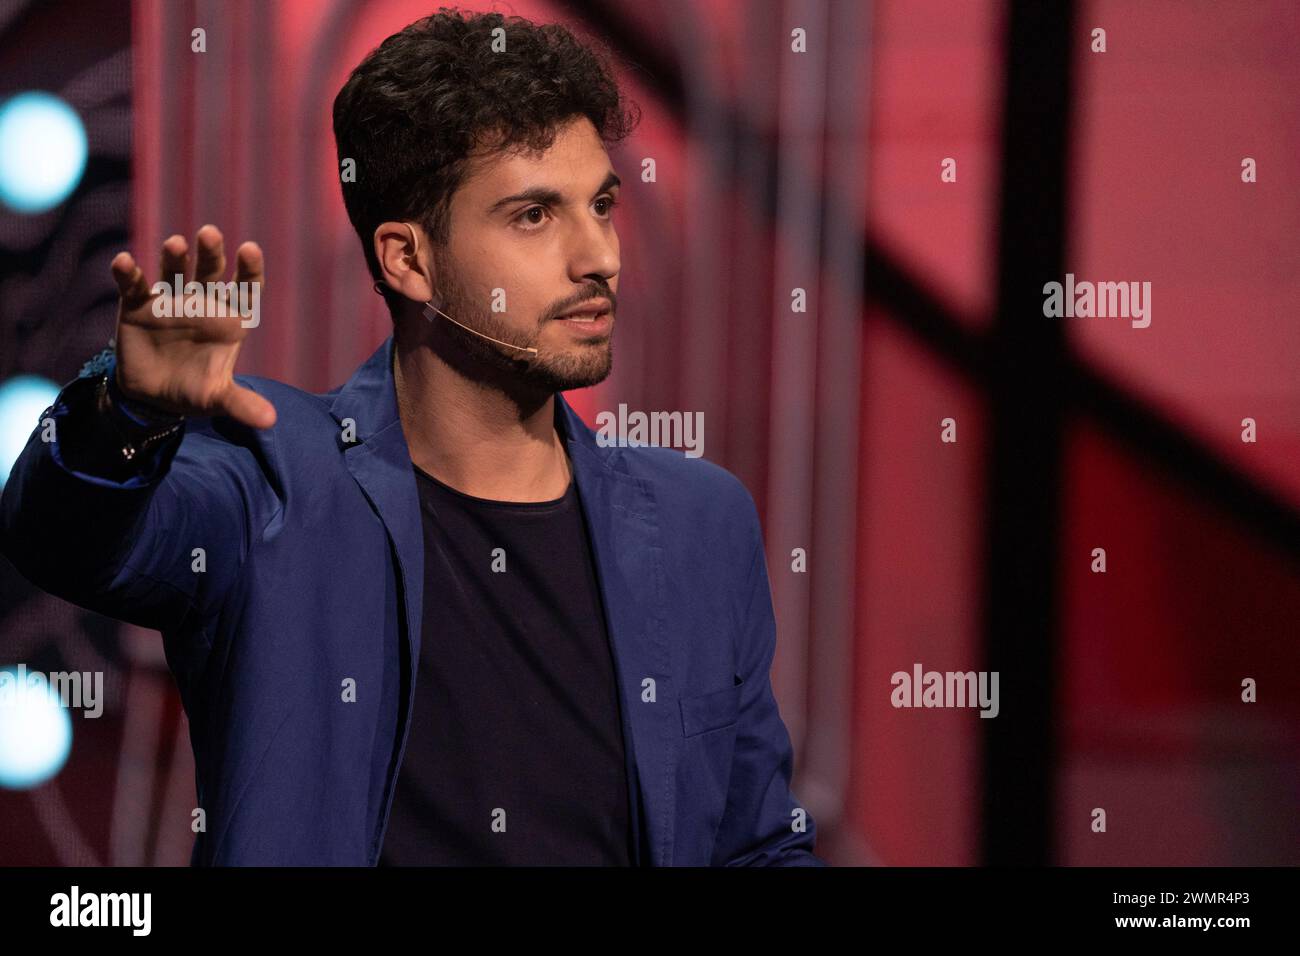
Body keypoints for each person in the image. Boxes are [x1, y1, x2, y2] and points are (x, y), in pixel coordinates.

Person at [0, 8, 823, 866]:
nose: (600, 257)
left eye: (603, 204)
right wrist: (125, 413)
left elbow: (757, 846)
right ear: (408, 259)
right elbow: (60, 539)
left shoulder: (700, 522)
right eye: (536, 215)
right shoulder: (274, 483)